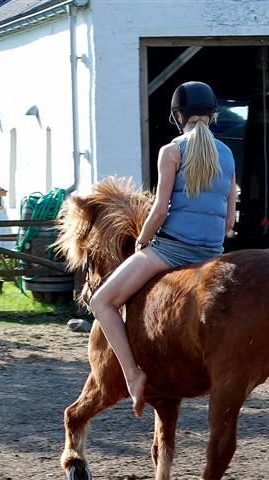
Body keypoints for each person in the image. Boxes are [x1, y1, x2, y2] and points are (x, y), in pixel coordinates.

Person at [89, 81, 237, 416]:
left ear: (177, 116)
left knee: (102, 301)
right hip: (212, 253)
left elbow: (159, 209)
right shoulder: (227, 155)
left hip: (171, 251)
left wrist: (142, 241)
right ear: (213, 116)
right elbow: (229, 221)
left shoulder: (171, 151)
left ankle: (131, 374)